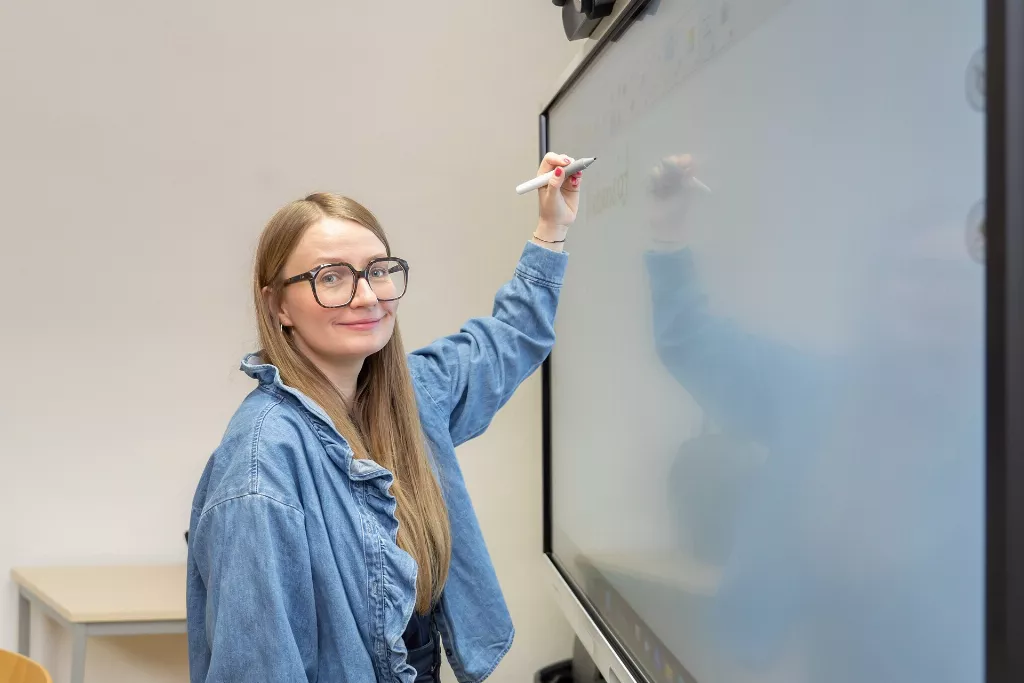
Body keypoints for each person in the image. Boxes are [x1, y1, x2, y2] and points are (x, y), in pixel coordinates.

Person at [185, 153, 586, 683]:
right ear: (277, 305)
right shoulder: (263, 463)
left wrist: (551, 228)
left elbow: (508, 341)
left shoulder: (408, 395)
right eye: (332, 278)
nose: (368, 296)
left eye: (378, 271)